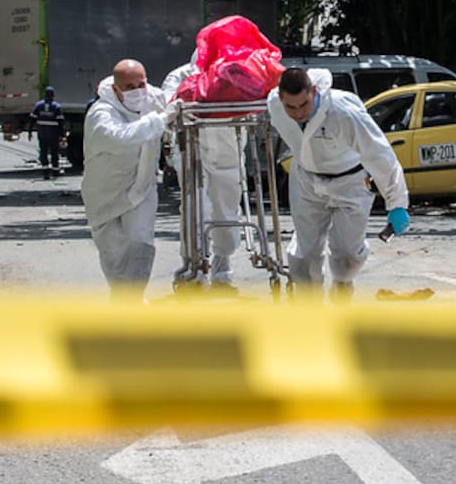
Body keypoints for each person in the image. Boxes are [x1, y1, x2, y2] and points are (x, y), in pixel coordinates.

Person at [267, 66, 411, 301]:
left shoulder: (342, 113)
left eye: (303, 104)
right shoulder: (274, 104)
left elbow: (379, 154)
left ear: (313, 91)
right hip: (306, 179)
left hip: (350, 181)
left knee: (347, 255)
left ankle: (342, 285)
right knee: (305, 253)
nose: (298, 113)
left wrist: (397, 203)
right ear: (280, 98)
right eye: (290, 107)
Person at [81, 59, 176, 299]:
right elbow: (120, 137)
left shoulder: (152, 99)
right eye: (129, 87)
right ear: (116, 89)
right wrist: (160, 120)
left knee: (140, 242)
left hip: (142, 187)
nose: (137, 91)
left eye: (140, 84)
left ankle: (133, 299)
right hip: (105, 194)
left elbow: (177, 94)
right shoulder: (101, 113)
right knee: (112, 250)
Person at [163, 53, 243, 288]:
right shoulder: (181, 76)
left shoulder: (236, 74)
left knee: (227, 209)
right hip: (191, 150)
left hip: (228, 150)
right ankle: (194, 265)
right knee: (193, 209)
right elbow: (168, 102)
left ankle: (222, 267)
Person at [27, 85, 66, 179]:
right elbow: (60, 122)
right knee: (54, 152)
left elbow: (32, 119)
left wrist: (30, 131)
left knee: (43, 152)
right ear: (53, 95)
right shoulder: (56, 106)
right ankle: (55, 172)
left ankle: (45, 172)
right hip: (53, 133)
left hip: (42, 132)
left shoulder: (38, 105)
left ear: (45, 95)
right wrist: (62, 135)